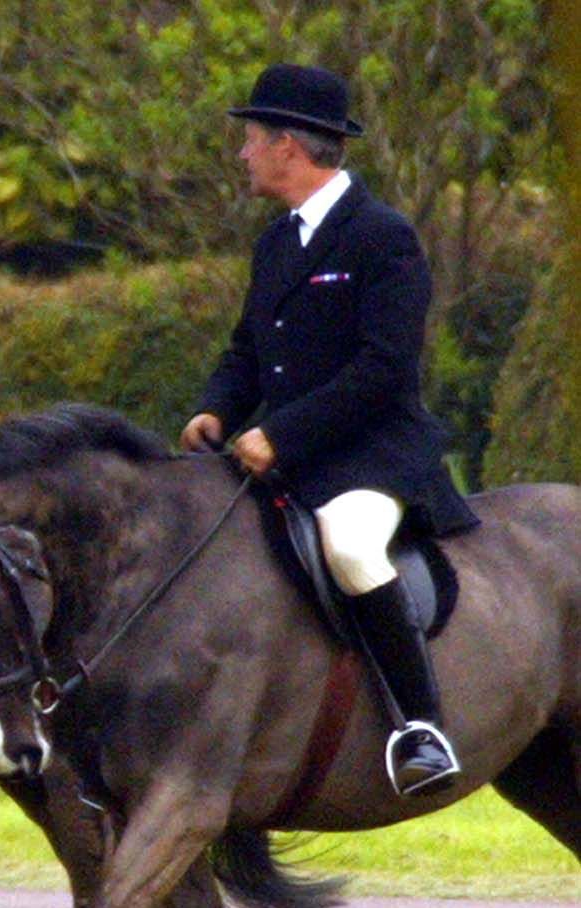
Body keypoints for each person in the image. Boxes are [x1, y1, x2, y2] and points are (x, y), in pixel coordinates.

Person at [179, 63, 480, 796]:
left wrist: (281, 434)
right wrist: (216, 408)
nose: (243, 154)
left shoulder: (383, 237)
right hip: (288, 460)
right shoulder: (275, 243)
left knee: (349, 547)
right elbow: (247, 352)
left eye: (251, 139)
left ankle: (422, 727)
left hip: (372, 459)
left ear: (289, 145)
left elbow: (383, 371)